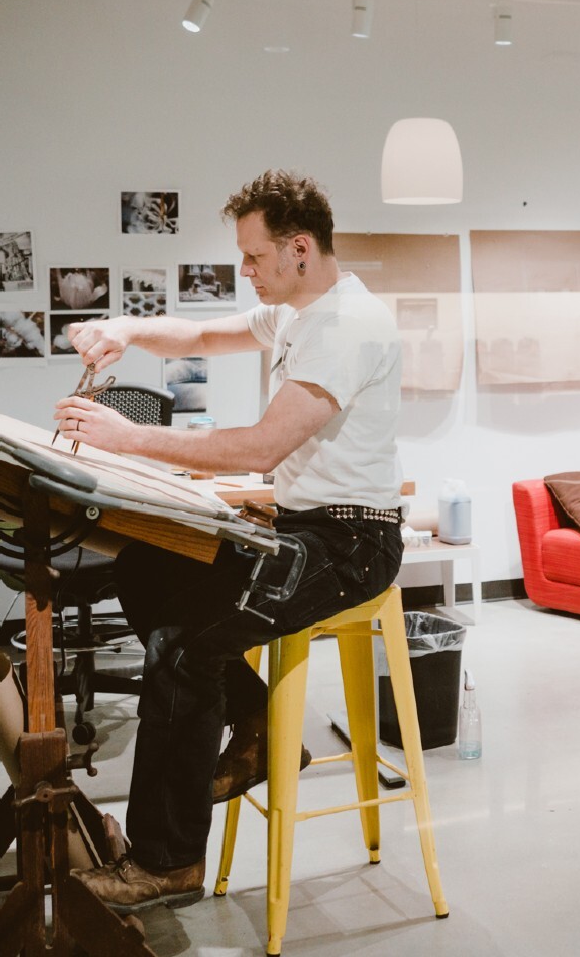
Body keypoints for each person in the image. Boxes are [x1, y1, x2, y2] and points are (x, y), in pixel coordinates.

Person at [53, 170, 404, 913]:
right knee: (148, 563)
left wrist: (129, 439)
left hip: (351, 547)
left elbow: (259, 449)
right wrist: (125, 329)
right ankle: (256, 724)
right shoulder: (296, 312)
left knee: (181, 648)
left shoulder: (346, 327)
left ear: (300, 249)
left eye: (253, 257)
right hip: (306, 529)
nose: (245, 271)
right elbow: (203, 333)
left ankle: (166, 860)